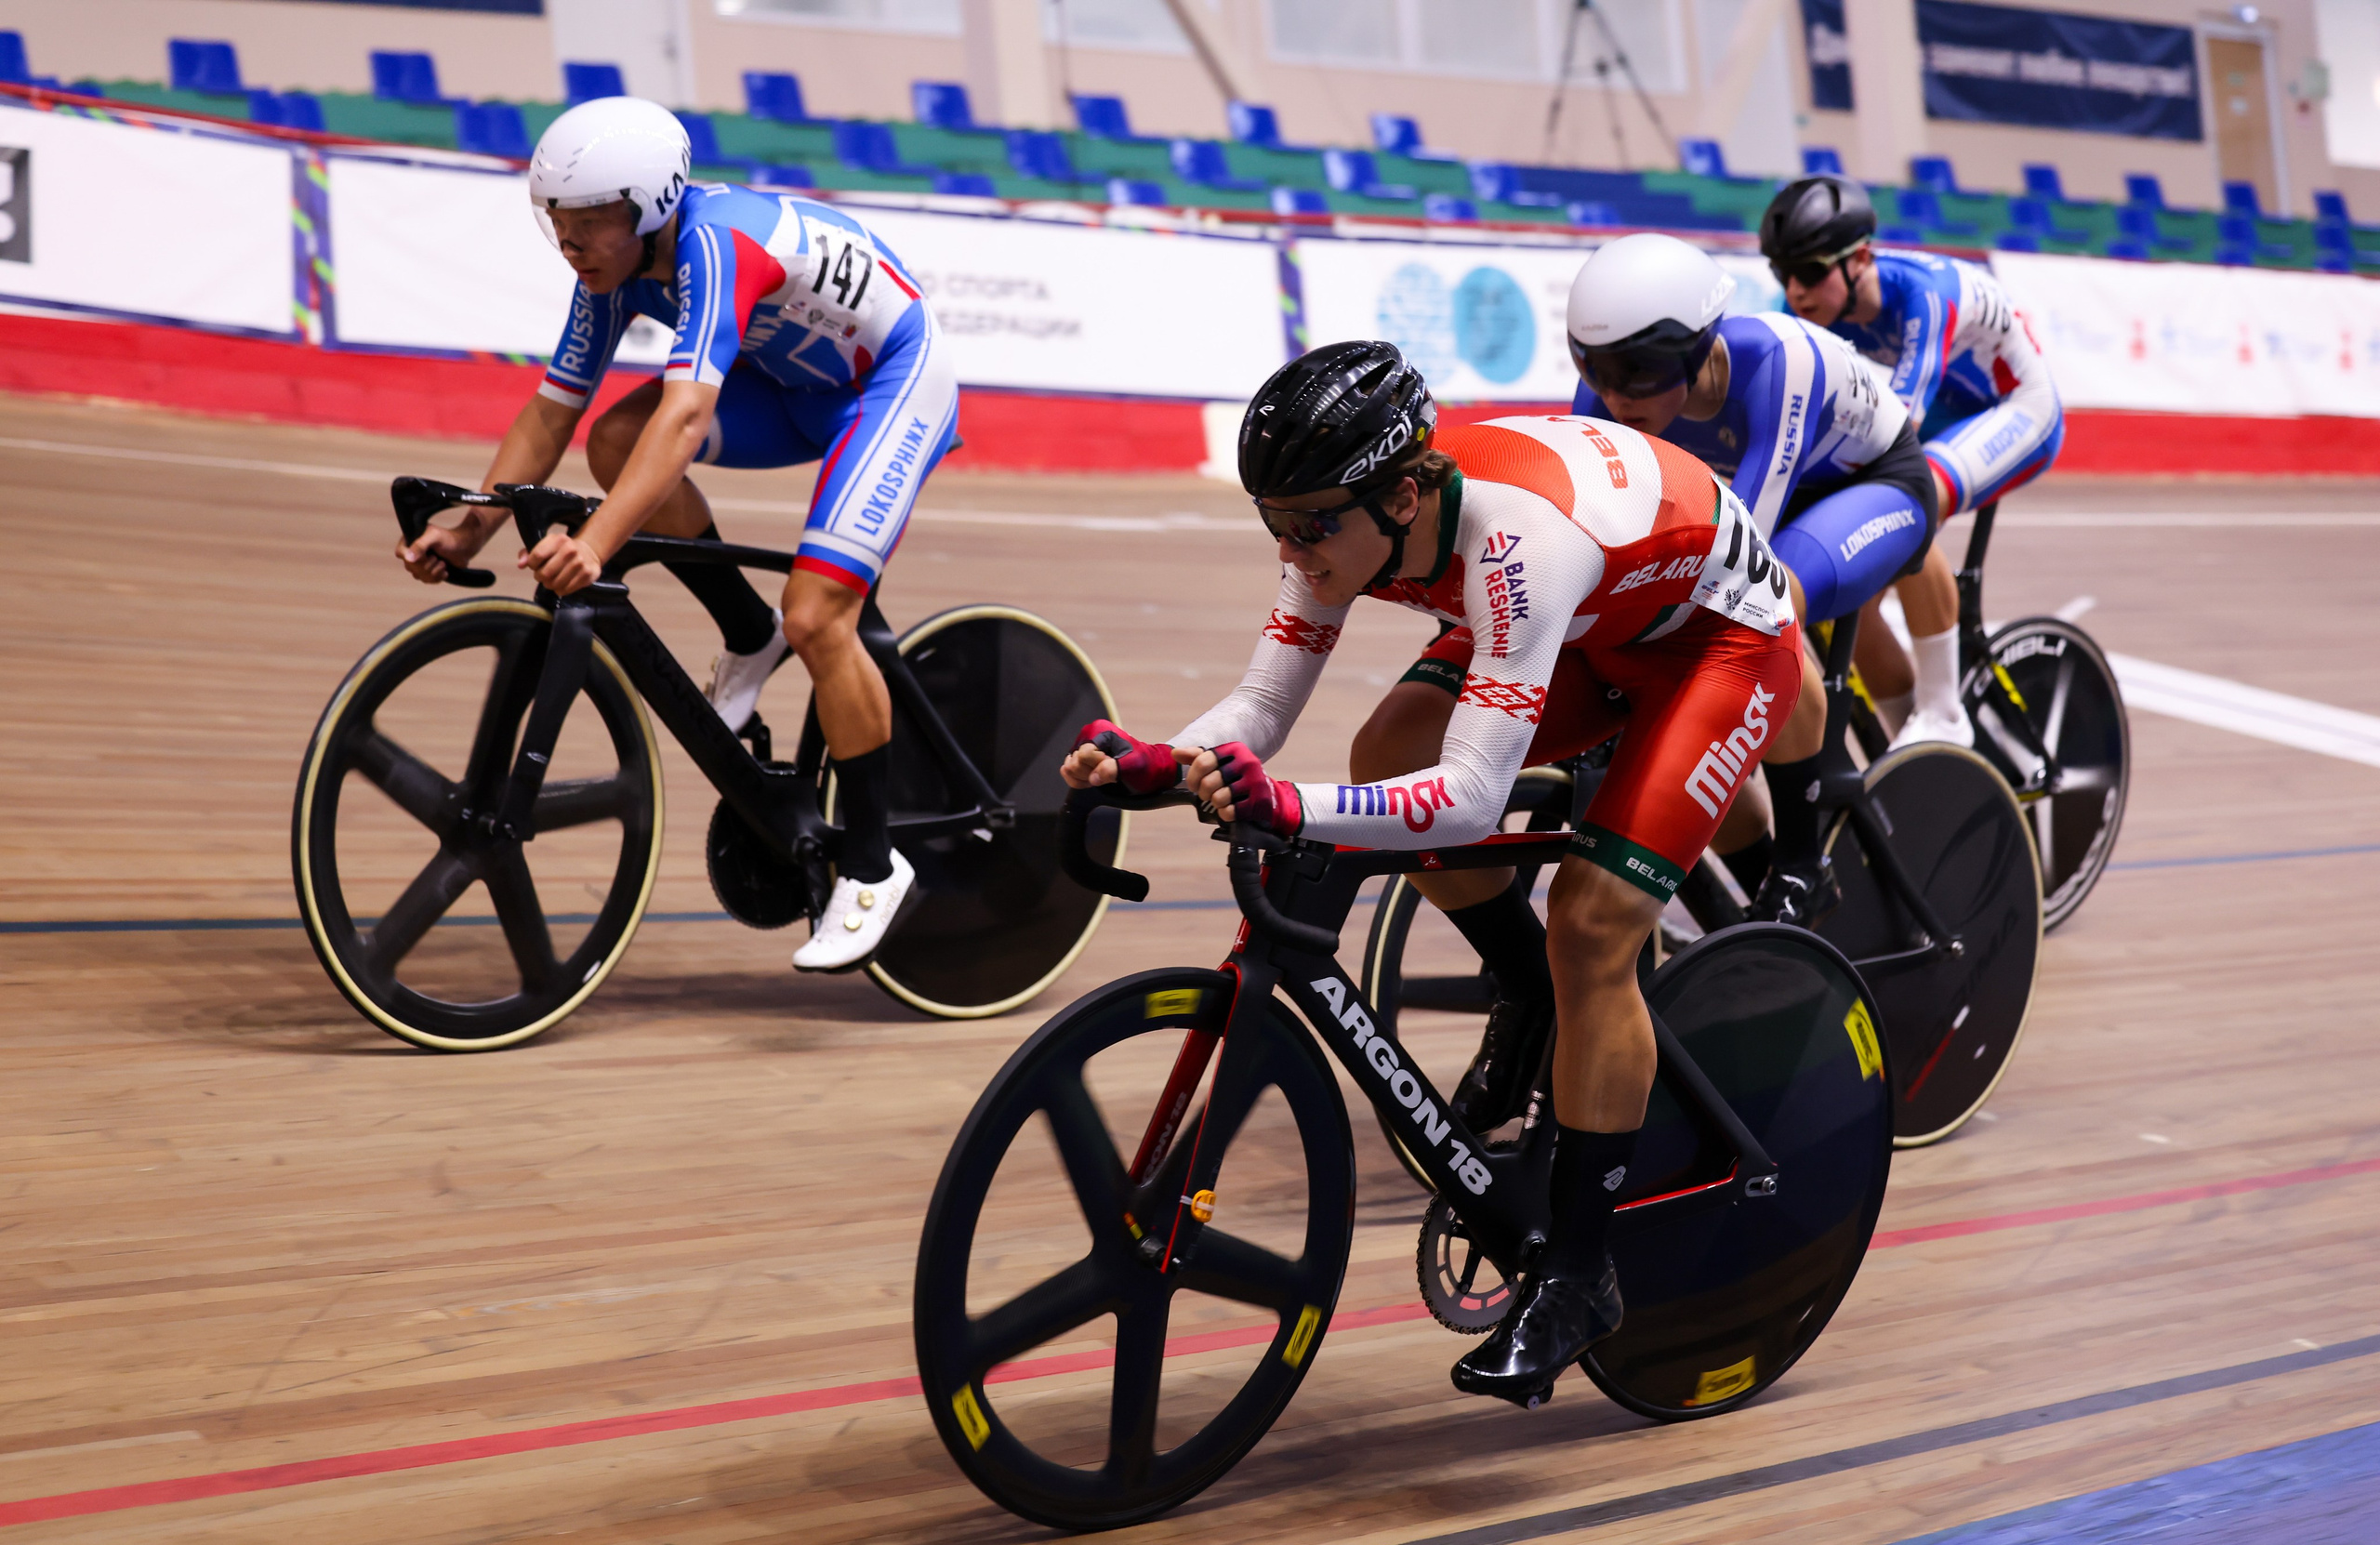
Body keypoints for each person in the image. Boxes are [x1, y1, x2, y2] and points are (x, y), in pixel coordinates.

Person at [1060, 342, 1811, 1408]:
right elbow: (1263, 711)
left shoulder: (1516, 545)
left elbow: (1463, 797)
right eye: (1274, 523)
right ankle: (1532, 994)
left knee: (1595, 930)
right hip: (1596, 624)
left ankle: (1578, 1275)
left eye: (1312, 525)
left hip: (1716, 645)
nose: (1293, 549)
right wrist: (1163, 760)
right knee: (1382, 759)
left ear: (1402, 492)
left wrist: (1288, 806)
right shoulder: (1342, 511)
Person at [395, 96, 958, 971]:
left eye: (585, 227)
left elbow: (689, 415)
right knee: (613, 438)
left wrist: (596, 546)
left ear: (647, 208)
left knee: (818, 616)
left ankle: (874, 867)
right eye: (558, 226)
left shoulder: (711, 246)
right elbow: (552, 417)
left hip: (887, 381)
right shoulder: (611, 276)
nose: (570, 246)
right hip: (791, 386)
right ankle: (746, 632)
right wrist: (470, 525)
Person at [1564, 231, 1938, 924]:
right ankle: (1755, 887)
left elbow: (1747, 555)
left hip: (1881, 483)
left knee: (1768, 599)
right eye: (1596, 368)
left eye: (1640, 372)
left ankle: (1803, 864)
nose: (1615, 395)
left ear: (1702, 346)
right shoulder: (1610, 392)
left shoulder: (1777, 367)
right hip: (1791, 497)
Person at [1760, 174, 2064, 747]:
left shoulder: (1924, 293)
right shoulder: (1807, 304)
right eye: (1783, 273)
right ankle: (1920, 755)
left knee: (1904, 499)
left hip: (2018, 406)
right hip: (1955, 412)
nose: (1795, 290)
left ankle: (1945, 712)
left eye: (1809, 271)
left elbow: (1898, 424)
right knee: (1849, 590)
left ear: (1861, 260)